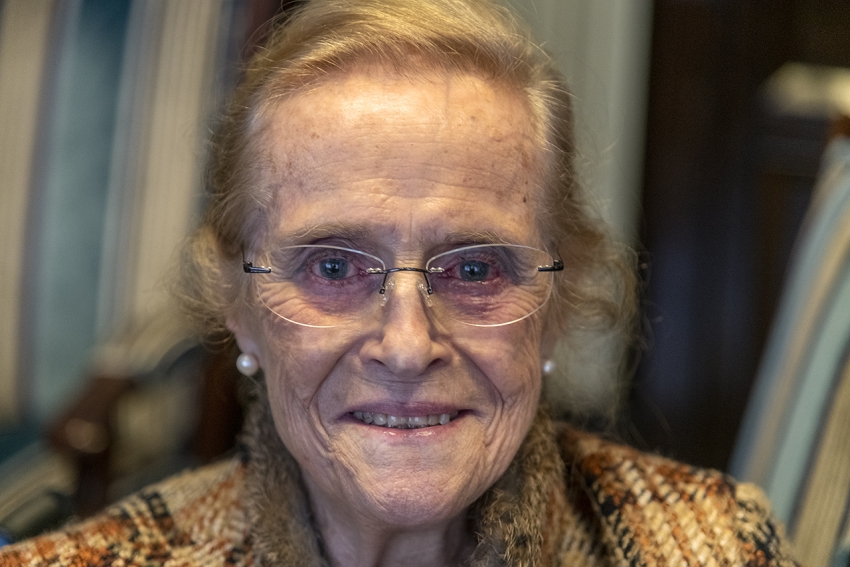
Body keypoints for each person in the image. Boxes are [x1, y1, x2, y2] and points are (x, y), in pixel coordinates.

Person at [0, 0, 799, 565]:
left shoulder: (720, 546)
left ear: (558, 302)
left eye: (476, 267)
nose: (408, 347)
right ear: (240, 307)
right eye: (334, 267)